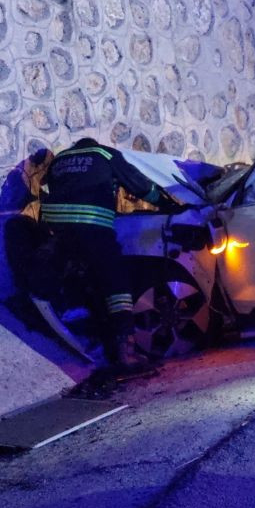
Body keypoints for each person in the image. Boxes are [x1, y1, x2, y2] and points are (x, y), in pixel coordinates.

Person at [41, 137, 173, 371]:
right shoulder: (106, 155)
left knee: (83, 277)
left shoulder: (60, 158)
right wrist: (165, 203)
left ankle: (91, 331)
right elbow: (139, 185)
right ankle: (126, 352)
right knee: (115, 281)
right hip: (91, 224)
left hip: (56, 229)